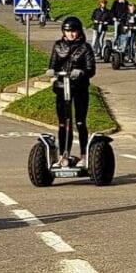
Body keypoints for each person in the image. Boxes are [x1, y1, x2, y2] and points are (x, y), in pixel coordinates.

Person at [48, 17, 95, 168]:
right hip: (62, 87)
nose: (71, 34)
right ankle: (63, 155)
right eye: (68, 31)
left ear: (79, 31)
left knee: (80, 122)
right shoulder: (58, 46)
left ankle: (84, 155)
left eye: (73, 31)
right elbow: (53, 64)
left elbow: (91, 69)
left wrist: (81, 72)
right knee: (64, 123)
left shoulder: (85, 47)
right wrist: (51, 71)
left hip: (79, 88)